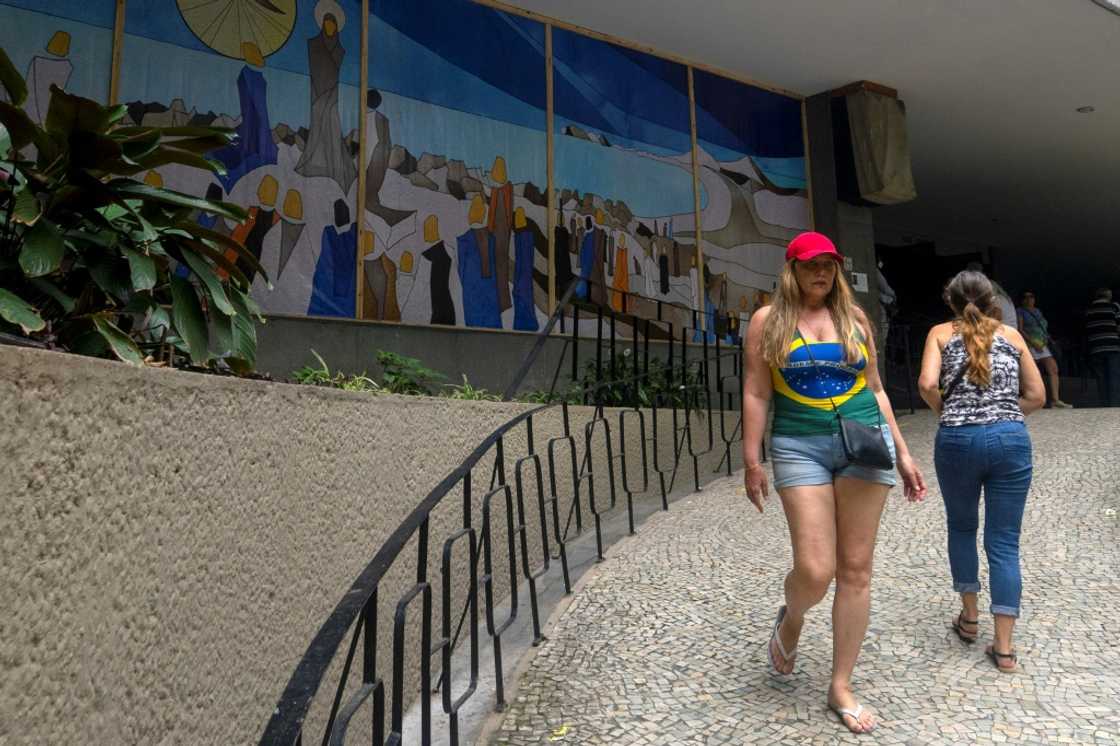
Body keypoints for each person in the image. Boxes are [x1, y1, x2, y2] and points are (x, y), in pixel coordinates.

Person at [742, 232, 927, 735]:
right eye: (810, 265)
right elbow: (757, 391)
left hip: (864, 441)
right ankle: (792, 619)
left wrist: (904, 453)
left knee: (856, 569)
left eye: (828, 265)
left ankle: (840, 685)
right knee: (815, 568)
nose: (820, 273)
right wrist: (752, 459)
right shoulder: (768, 321)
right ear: (792, 271)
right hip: (798, 444)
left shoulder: (855, 319)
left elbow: (877, 389)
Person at [918, 271, 1045, 673]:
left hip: (957, 440)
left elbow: (926, 383)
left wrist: (948, 412)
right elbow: (1037, 396)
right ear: (993, 300)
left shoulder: (940, 334)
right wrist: (1004, 415)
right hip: (1010, 440)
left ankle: (970, 618)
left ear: (950, 300)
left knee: (961, 527)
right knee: (1005, 542)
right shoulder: (1013, 337)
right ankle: (1004, 648)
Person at [1016, 291, 1070, 408]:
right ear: (1022, 300)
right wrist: (1032, 342)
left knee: (1053, 368)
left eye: (1031, 296)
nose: (1029, 299)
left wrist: (1044, 340)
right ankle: (1029, 398)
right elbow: (1020, 329)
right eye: (1026, 297)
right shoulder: (1020, 311)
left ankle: (1055, 400)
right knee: (1030, 371)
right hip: (1030, 344)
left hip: (1042, 344)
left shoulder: (1037, 311)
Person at [1085, 288, 1120, 407]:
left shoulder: (1089, 309)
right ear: (1108, 296)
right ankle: (1115, 404)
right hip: (1112, 346)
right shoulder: (1114, 307)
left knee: (1101, 378)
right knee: (1114, 377)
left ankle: (1104, 404)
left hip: (1095, 347)